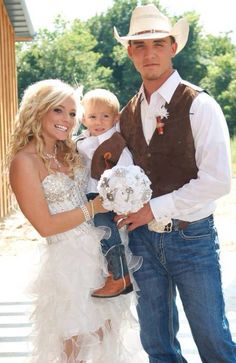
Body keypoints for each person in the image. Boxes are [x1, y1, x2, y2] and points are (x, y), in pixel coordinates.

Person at [113, 4, 236, 363]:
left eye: (158, 44)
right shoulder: (126, 112)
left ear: (172, 48)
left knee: (213, 340)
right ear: (130, 52)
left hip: (191, 236)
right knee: (158, 345)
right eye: (140, 45)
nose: (149, 53)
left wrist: (153, 207)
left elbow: (217, 181)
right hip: (142, 242)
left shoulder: (200, 105)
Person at [8, 79, 142, 363]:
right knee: (73, 350)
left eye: (72, 113)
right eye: (58, 110)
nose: (67, 121)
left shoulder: (72, 151)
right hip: (68, 267)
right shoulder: (24, 162)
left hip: (102, 260)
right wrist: (92, 208)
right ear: (37, 110)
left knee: (105, 343)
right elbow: (45, 225)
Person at [76, 88, 141, 298]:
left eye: (105, 116)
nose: (99, 121)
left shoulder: (116, 143)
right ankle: (109, 273)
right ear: (84, 119)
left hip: (105, 197)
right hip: (87, 195)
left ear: (116, 118)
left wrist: (119, 198)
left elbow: (126, 172)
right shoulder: (82, 140)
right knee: (96, 235)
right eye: (93, 117)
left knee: (107, 231)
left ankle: (119, 276)